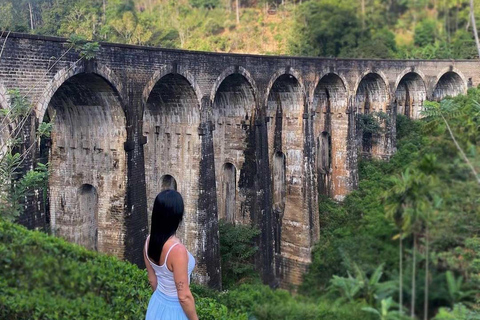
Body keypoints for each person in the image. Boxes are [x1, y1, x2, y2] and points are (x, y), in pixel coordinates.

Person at [144, 190, 198, 320]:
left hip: (157, 303)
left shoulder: (149, 241)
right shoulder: (177, 251)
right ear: (177, 216)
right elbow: (183, 296)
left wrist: (163, 300)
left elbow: (152, 280)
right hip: (175, 310)